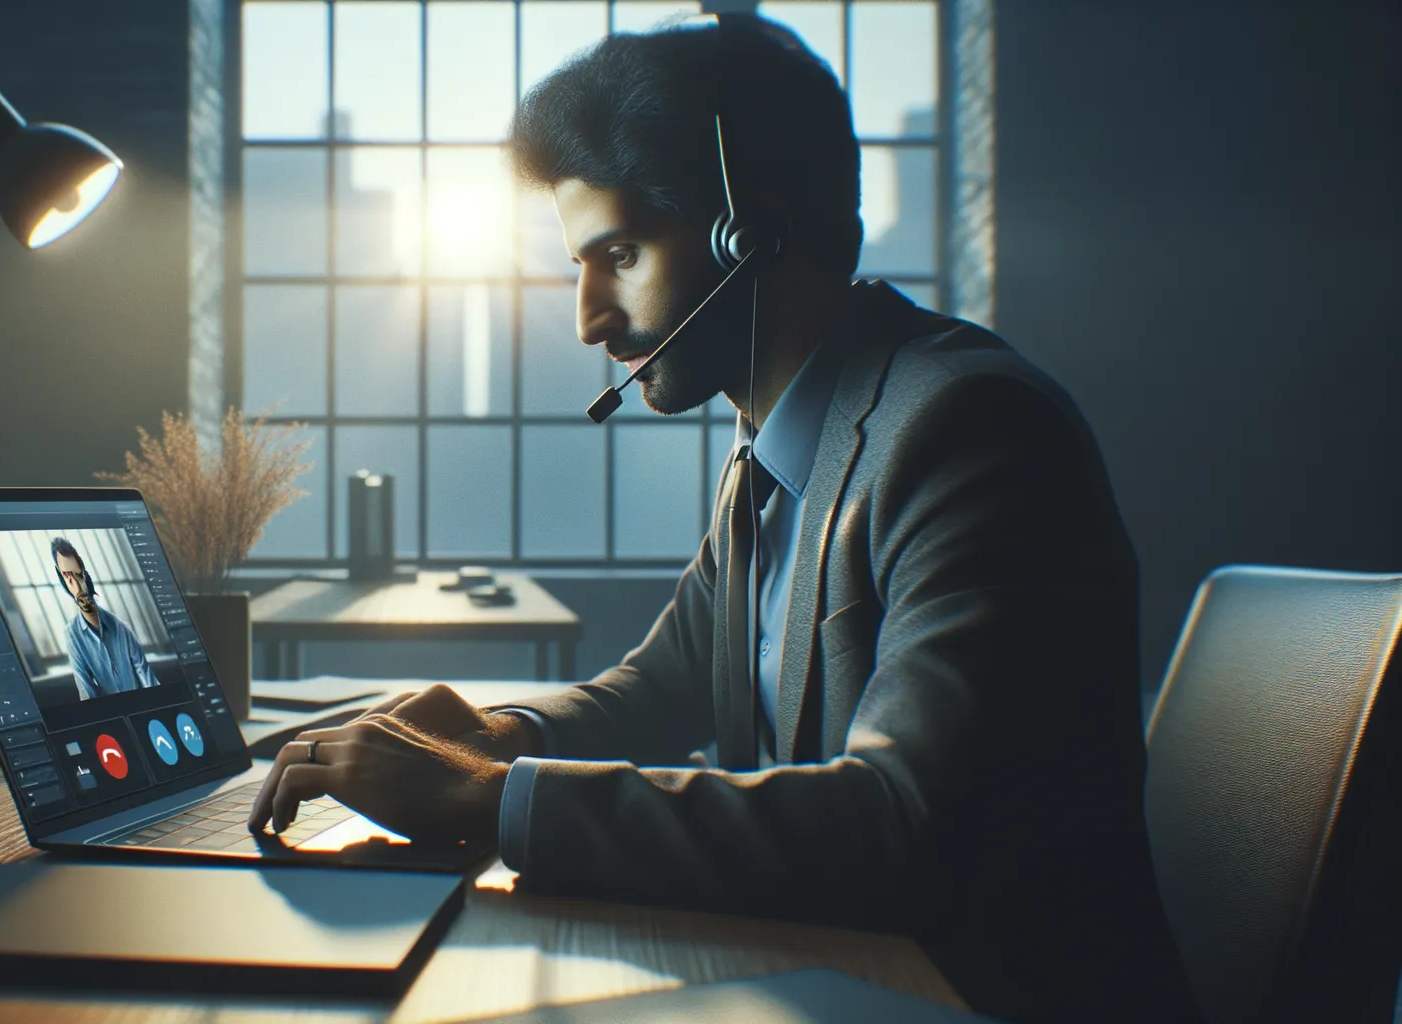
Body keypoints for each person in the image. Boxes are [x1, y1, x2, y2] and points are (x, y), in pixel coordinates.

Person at [248, 16, 1199, 1023]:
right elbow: (665, 686)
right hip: (835, 972)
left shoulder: (969, 429)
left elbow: (907, 821)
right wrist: (498, 735)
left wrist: (492, 796)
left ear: (749, 236)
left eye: (620, 253)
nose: (590, 317)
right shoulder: (773, 448)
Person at [51, 536, 160, 700]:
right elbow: (86, 688)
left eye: (78, 575)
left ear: (85, 574)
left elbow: (145, 674)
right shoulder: (72, 634)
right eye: (67, 576)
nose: (76, 584)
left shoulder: (120, 627)